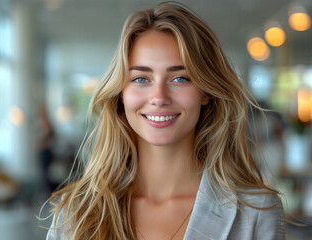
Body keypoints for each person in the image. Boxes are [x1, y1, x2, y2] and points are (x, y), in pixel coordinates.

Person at [45, 2, 285, 239]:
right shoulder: (74, 213)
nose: (159, 97)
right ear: (121, 94)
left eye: (180, 78)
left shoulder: (256, 212)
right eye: (141, 79)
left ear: (205, 92)